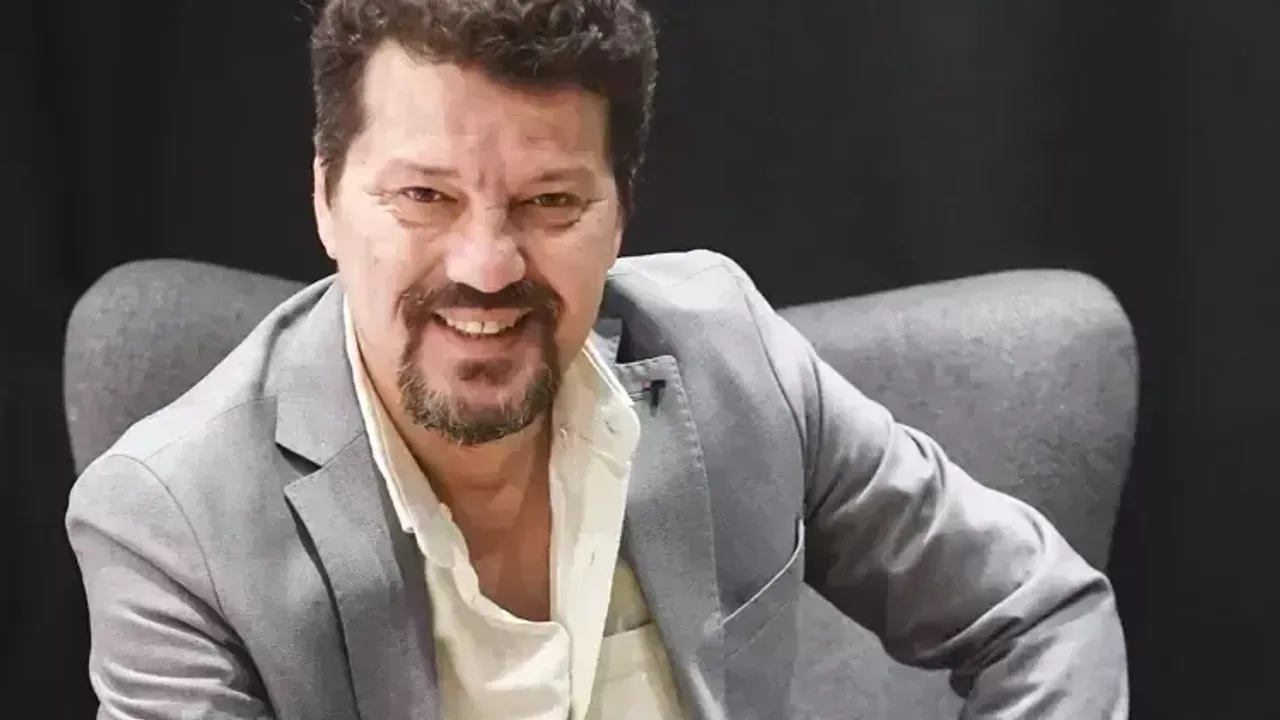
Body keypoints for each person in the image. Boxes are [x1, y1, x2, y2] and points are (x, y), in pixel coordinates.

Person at [65, 0, 1129, 718]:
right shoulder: (171, 522)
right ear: (325, 198)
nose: (486, 267)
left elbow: (1038, 612)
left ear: (621, 212)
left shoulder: (731, 355)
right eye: (424, 196)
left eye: (551, 202)